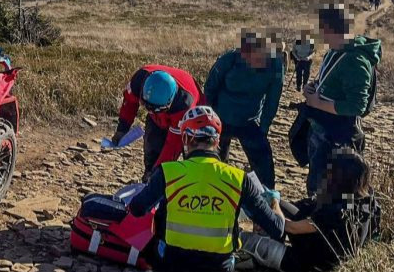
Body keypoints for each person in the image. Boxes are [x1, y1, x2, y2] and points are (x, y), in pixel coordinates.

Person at [127, 106, 285, 272]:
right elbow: (276, 228)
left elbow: (137, 209)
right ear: (217, 141)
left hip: (173, 263)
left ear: (186, 138)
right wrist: (274, 201)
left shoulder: (168, 172)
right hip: (219, 266)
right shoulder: (239, 179)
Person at [241, 148, 380, 271]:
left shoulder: (336, 213)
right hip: (333, 250)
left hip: (317, 265)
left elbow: (290, 227)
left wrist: (274, 202)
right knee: (281, 207)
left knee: (254, 236)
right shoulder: (366, 200)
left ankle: (259, 259)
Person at [302, 4, 381, 196]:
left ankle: (321, 223)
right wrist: (314, 88)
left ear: (330, 29)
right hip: (323, 129)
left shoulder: (356, 60)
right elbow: (331, 83)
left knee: (332, 189)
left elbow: (357, 106)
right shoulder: (335, 50)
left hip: (339, 136)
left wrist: (317, 103)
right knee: (316, 182)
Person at [203, 32, 284, 190]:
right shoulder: (229, 60)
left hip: (250, 119)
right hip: (222, 117)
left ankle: (267, 196)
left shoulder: (275, 65)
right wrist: (209, 119)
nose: (255, 62)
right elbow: (210, 88)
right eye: (250, 57)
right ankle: (214, 188)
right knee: (215, 158)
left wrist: (264, 127)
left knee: (263, 163)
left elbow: (272, 101)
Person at [111, 65, 203, 180]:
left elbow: (173, 145)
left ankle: (193, 182)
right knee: (153, 142)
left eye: (156, 109)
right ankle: (149, 176)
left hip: (194, 121)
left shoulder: (184, 105)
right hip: (163, 112)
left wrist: (159, 171)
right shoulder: (138, 81)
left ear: (169, 103)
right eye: (146, 106)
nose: (150, 111)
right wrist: (122, 129)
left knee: (193, 155)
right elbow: (129, 103)